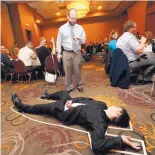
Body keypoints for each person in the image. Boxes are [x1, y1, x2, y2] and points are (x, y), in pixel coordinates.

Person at [12, 90, 141, 154]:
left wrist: (121, 139)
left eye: (118, 107)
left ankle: (21, 106)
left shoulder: (100, 122)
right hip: (70, 103)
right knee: (63, 93)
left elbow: (97, 146)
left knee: (42, 108)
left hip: (64, 112)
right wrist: (71, 101)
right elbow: (85, 98)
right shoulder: (103, 104)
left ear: (118, 113)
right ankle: (47, 95)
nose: (115, 105)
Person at [56, 8, 86, 93]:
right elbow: (58, 41)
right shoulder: (62, 28)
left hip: (77, 52)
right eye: (72, 18)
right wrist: (58, 53)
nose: (73, 20)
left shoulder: (80, 28)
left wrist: (79, 38)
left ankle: (79, 85)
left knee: (77, 70)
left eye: (75, 18)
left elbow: (84, 40)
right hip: (66, 52)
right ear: (67, 16)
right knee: (67, 71)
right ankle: (69, 87)